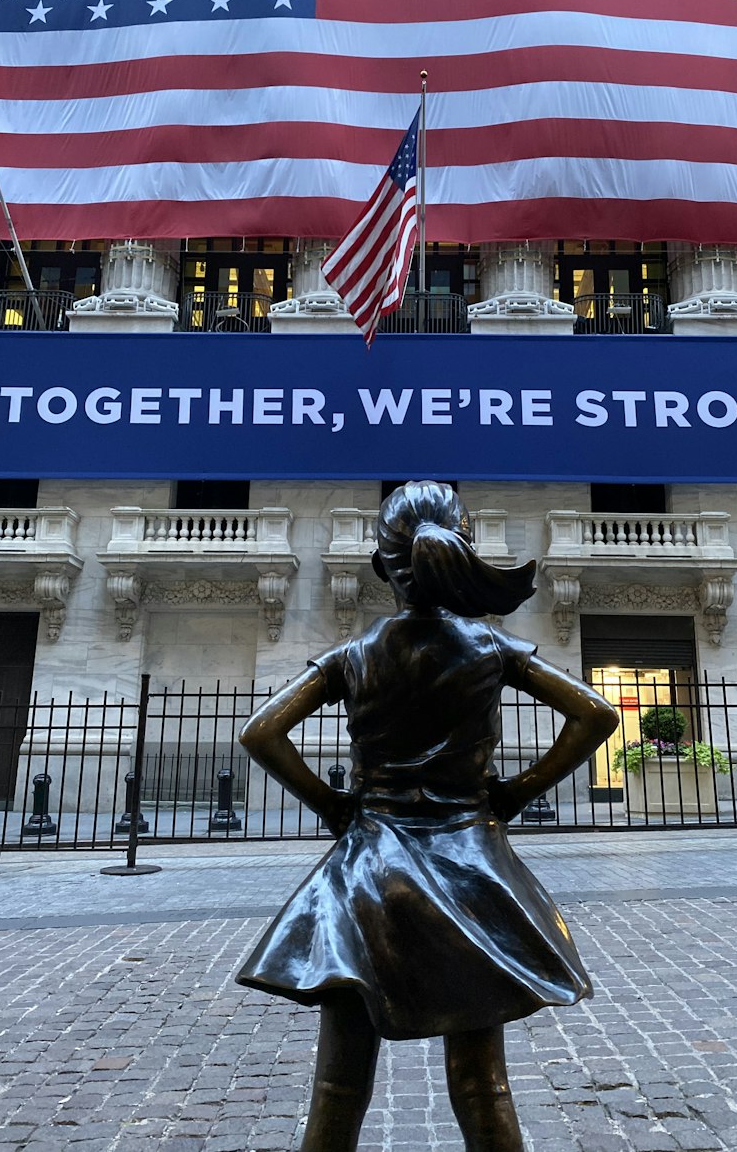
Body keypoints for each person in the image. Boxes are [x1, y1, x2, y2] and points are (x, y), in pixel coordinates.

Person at [237, 481, 619, 1152]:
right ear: (461, 554)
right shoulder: (489, 649)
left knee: (339, 1083)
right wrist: (519, 791)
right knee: (481, 1081)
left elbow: (261, 732)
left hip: (368, 872)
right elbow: (596, 713)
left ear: (385, 568)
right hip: (472, 869)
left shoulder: (354, 655)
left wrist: (331, 805)